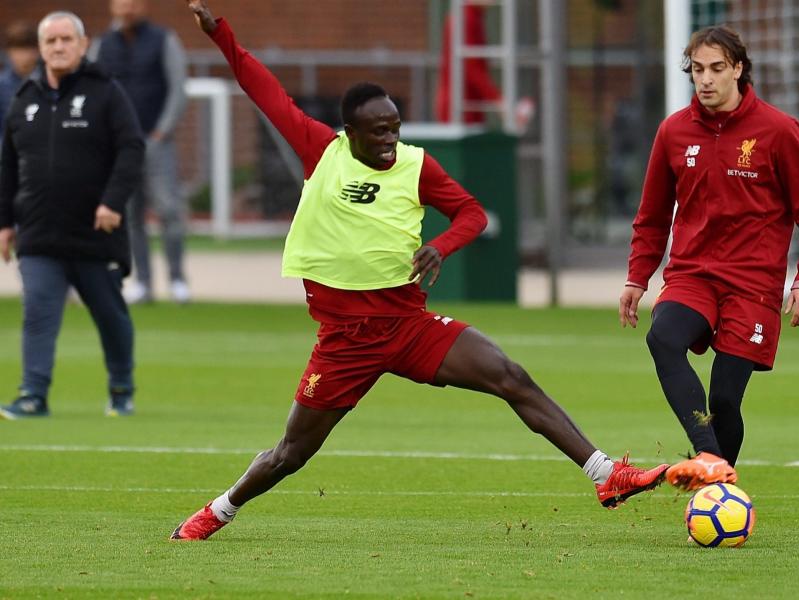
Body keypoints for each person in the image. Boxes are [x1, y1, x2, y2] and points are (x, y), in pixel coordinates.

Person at [171, 0, 670, 541]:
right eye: (379, 132)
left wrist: (442, 246)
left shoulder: (415, 164)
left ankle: (605, 475)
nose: (390, 140)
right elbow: (258, 83)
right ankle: (218, 510)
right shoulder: (321, 150)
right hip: (344, 341)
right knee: (291, 453)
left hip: (407, 326)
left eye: (395, 128)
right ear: (350, 132)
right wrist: (219, 32)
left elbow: (472, 213)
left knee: (511, 376)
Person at [618, 26, 799, 491]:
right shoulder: (673, 132)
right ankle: (710, 458)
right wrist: (638, 277)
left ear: (738, 68)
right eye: (698, 70)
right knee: (663, 338)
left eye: (717, 68)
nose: (706, 79)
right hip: (692, 274)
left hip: (753, 286)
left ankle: (715, 481)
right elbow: (652, 216)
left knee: (724, 399)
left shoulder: (777, 131)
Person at [0, 11, 144, 419]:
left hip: (94, 233)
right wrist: (5, 223)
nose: (59, 47)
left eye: (67, 39)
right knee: (38, 313)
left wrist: (113, 202)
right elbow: (8, 165)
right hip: (39, 234)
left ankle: (121, 387)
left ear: (83, 45)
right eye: (51, 41)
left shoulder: (107, 93)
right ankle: (33, 393)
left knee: (109, 315)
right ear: (42, 50)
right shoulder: (24, 99)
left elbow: (132, 149)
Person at [91, 0, 190, 304]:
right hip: (120, 146)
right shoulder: (102, 45)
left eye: (133, 3)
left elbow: (177, 88)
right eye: (122, 4)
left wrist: (162, 131)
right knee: (131, 216)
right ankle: (143, 282)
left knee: (169, 211)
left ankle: (176, 279)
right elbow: (95, 91)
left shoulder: (164, 40)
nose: (127, 9)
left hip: (155, 142)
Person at [434, 1, 533, 131]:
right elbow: (471, 68)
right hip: (459, 103)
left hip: (467, 101)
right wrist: (499, 102)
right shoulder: (465, 18)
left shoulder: (472, 16)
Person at [0, 21, 40, 139]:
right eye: (18, 50)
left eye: (29, 49)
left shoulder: (48, 82)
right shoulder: (2, 86)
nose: (25, 57)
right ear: (8, 52)